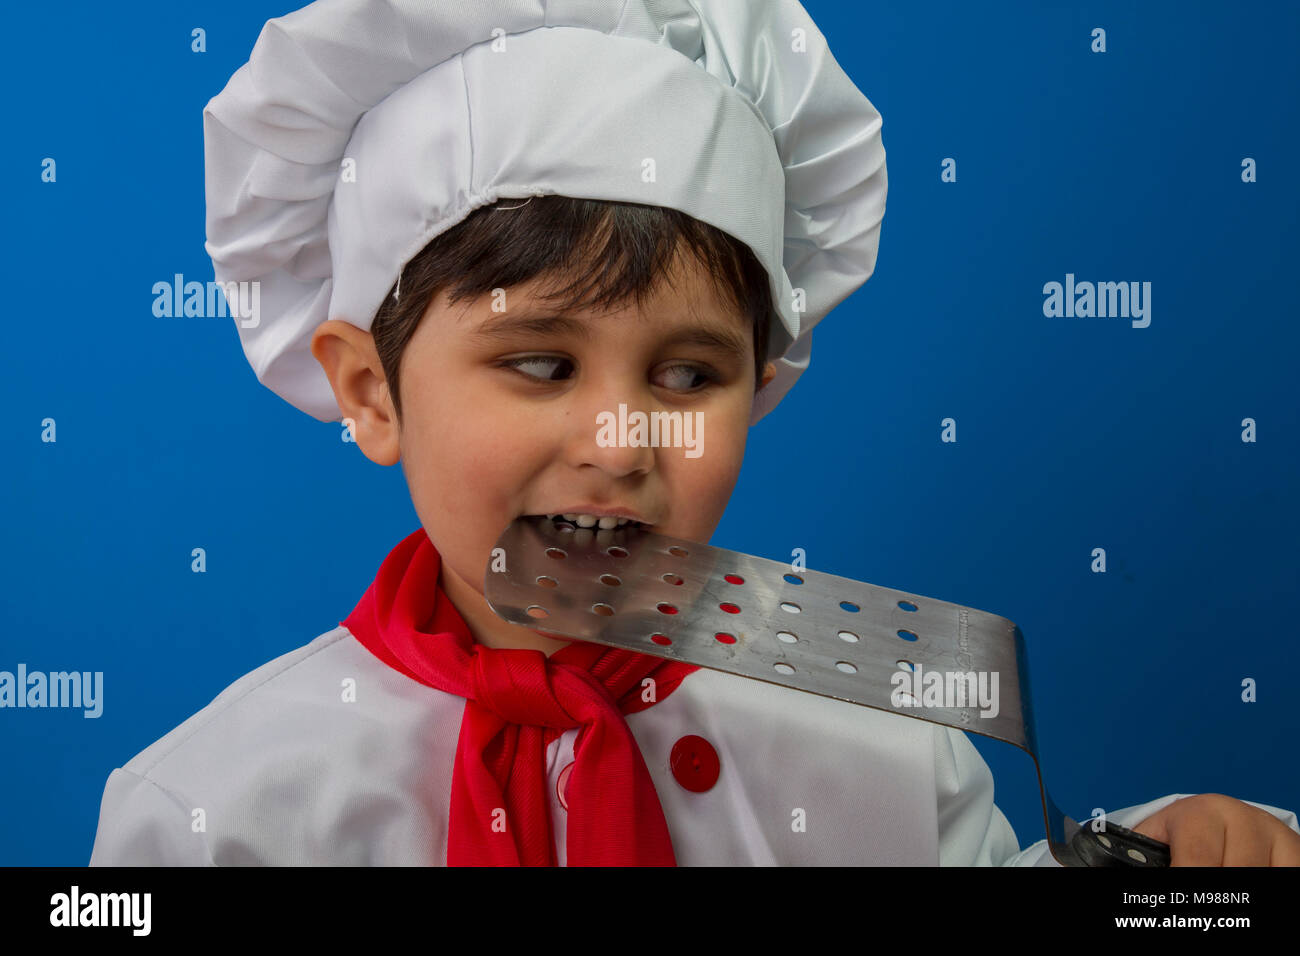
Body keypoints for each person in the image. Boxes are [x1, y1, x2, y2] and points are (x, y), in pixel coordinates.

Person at [90, 0, 1299, 866]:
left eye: (685, 372)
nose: (619, 439)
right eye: (541, 362)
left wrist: (1171, 858)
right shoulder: (206, 808)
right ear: (369, 392)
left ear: (758, 385)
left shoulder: (884, 732)